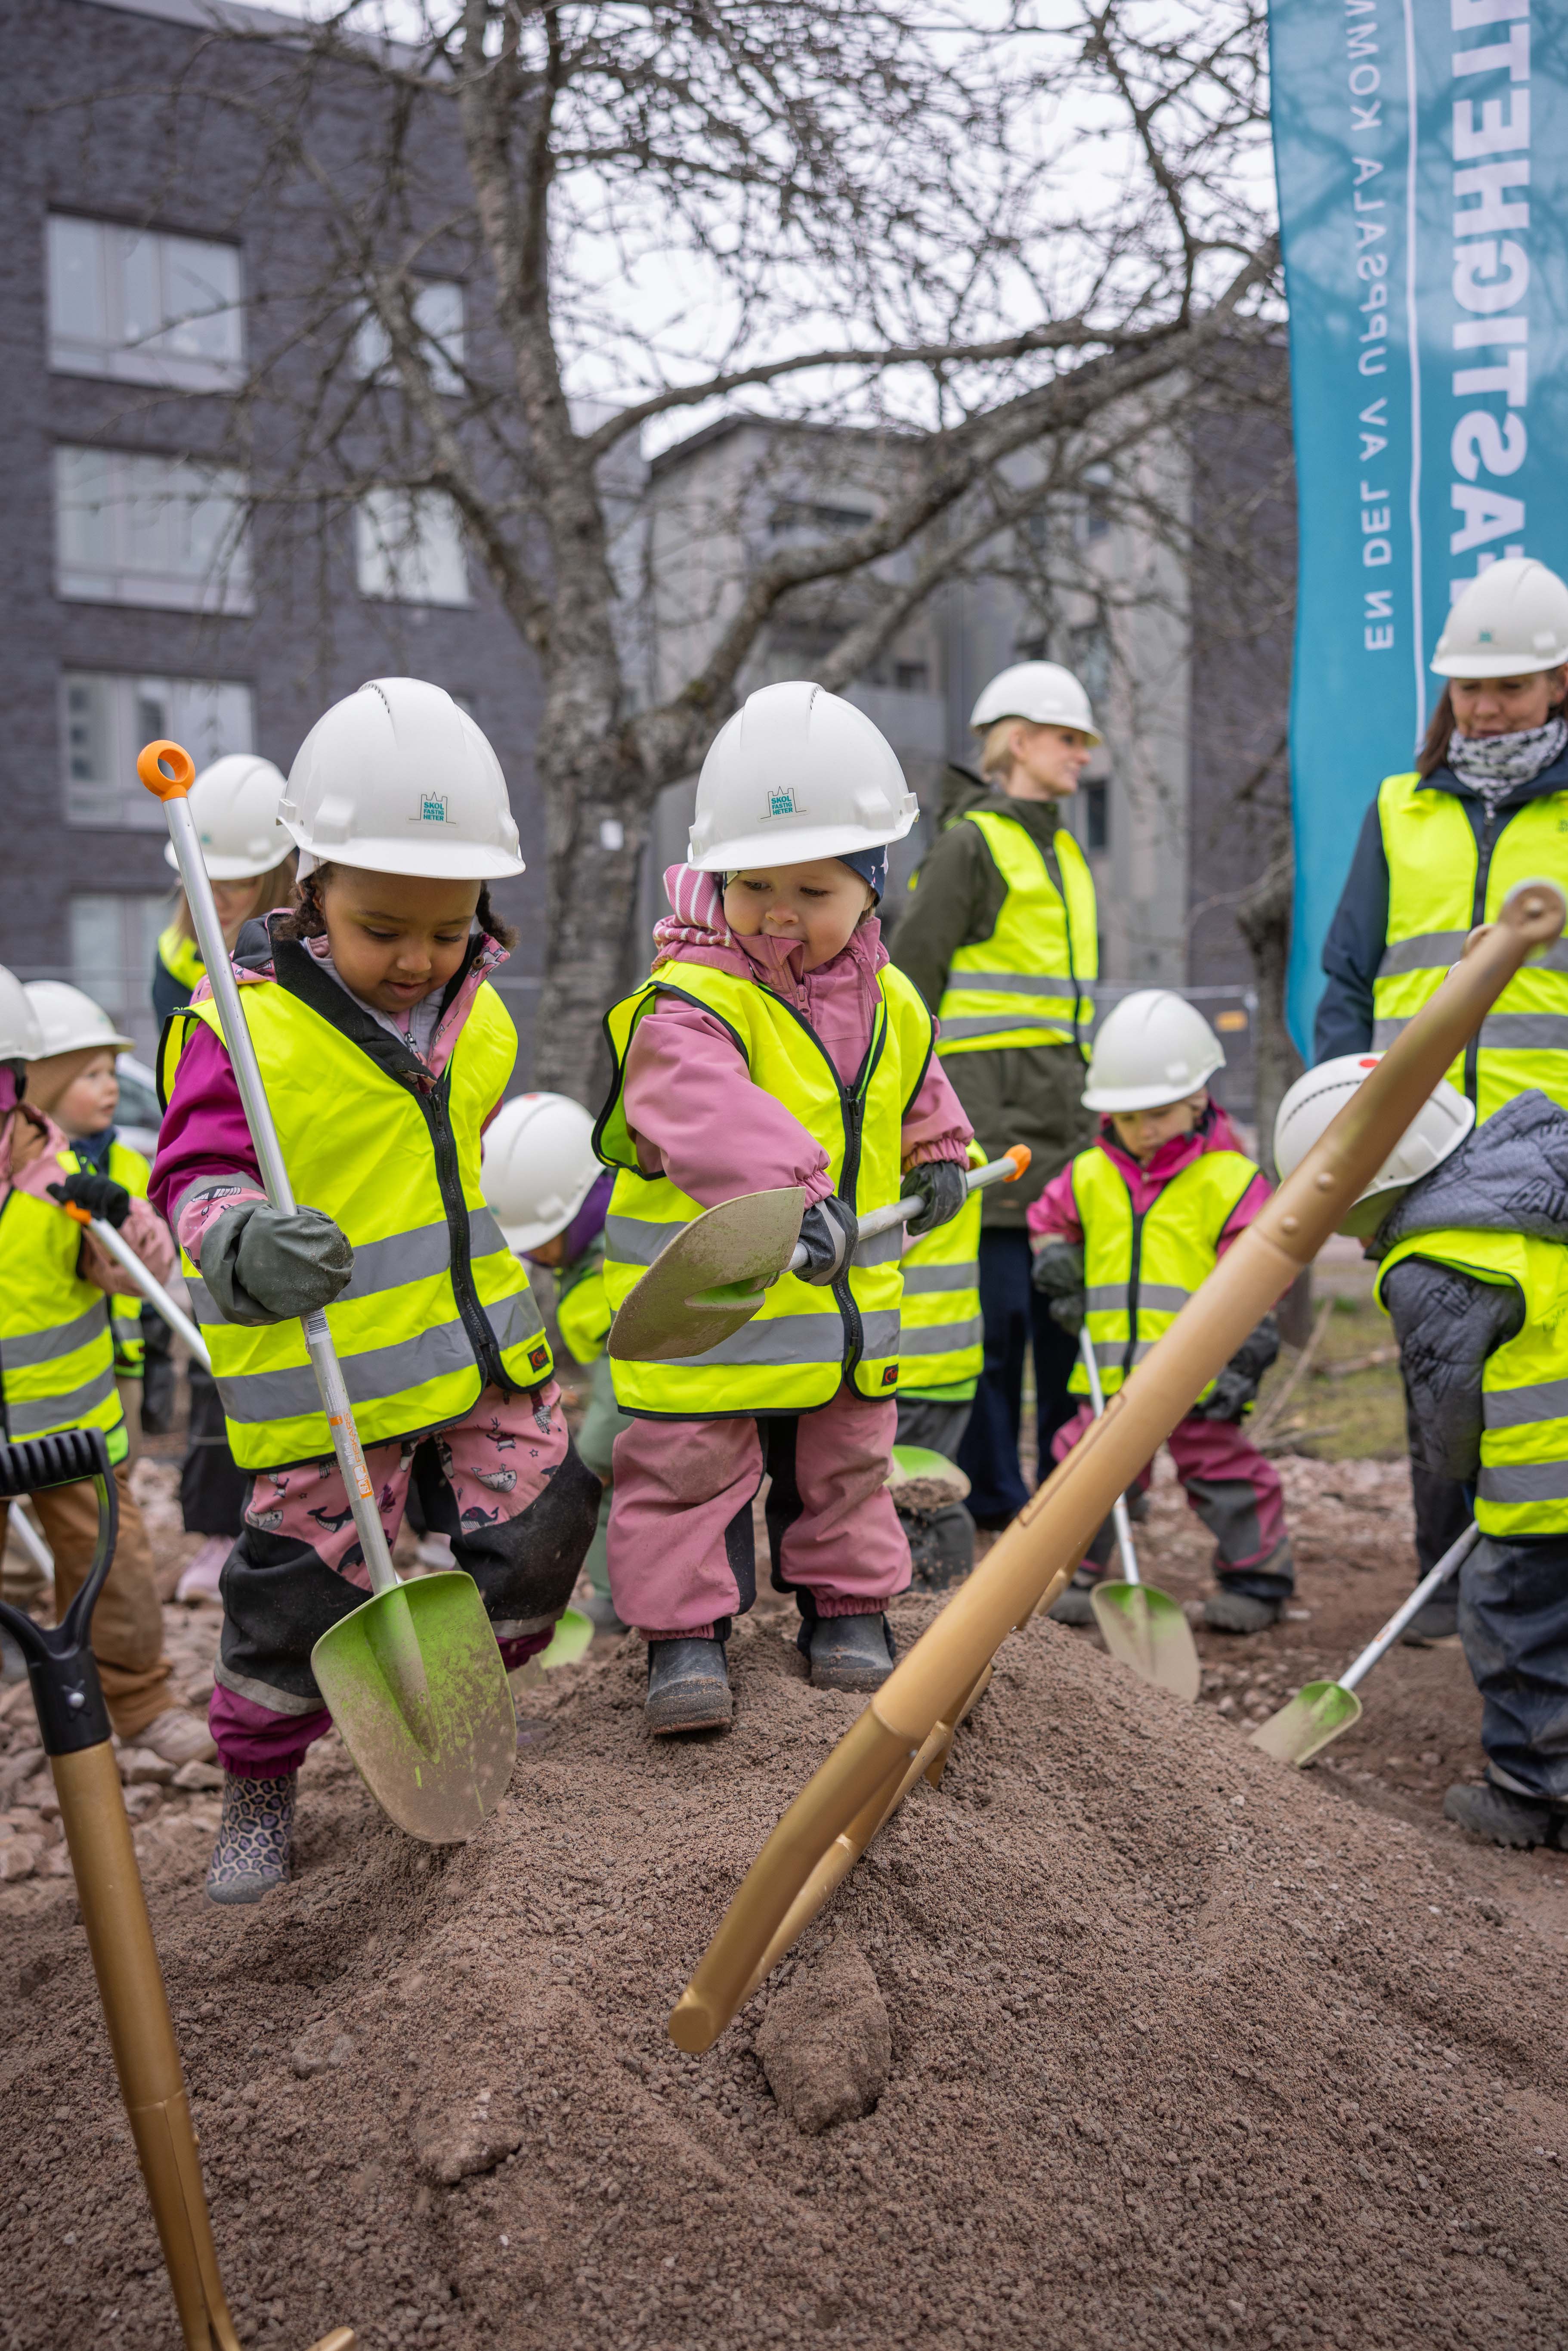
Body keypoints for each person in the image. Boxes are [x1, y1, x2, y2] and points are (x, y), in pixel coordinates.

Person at [151, 678, 599, 1902]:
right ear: (312, 886)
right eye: (382, 927)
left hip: (476, 1353)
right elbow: (192, 1169)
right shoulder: (241, 1030)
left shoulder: (483, 1021)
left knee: (543, 1523)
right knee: (295, 1595)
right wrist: (236, 1234)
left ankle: (453, 1710)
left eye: (447, 931)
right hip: (324, 1371)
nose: (417, 959)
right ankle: (258, 1786)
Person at [595, 681, 974, 1734]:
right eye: (752, 883)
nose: (777, 912)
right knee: (685, 1474)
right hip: (711, 1309)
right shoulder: (690, 998)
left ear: (872, 887)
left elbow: (911, 1079)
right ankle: (683, 1641)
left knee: (846, 1467)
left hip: (839, 1307)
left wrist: (939, 1147)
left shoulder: (894, 996)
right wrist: (788, 1192)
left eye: (812, 889)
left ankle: (847, 1613)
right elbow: (698, 1107)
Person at [1314, 556, 1568, 1634]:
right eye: (1470, 687)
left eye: (1508, 685)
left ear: (1557, 681)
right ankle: (1443, 1577)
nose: (1486, 705)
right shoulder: (1397, 810)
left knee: (1531, 1383)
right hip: (1420, 1149)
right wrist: (1342, 1117)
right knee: (1432, 1362)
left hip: (1545, 1145)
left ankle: (1520, 1585)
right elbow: (1346, 977)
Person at [1274, 1055, 1568, 1849]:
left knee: (1512, 1625)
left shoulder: (1436, 1262)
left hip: (1545, 1482)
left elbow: (1445, 1413)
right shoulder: (1531, 1192)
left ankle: (1532, 1790)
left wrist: (1463, 1477)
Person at [891, 661, 1098, 1526]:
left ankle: (1059, 1497)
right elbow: (907, 985)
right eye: (1067, 739)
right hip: (988, 1133)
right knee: (995, 1329)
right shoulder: (970, 845)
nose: (1083, 756)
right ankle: (988, 1500)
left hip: (1062, 1130)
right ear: (1017, 741)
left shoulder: (1065, 851)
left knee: (1056, 1328)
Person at [0, 966, 214, 1765]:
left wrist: (118, 1220)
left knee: (112, 1573)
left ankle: (142, 1701)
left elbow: (130, 1272)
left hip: (70, 1428)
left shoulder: (58, 1181)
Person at [1028, 991, 1291, 1631]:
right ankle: (1073, 1568)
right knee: (1082, 1468)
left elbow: (1259, 1275)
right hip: (1112, 1376)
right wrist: (1055, 1256)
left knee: (1222, 1469)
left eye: (1158, 1113)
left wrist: (1240, 1359)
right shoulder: (1089, 1174)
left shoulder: (1229, 1180)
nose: (1143, 1129)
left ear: (1199, 1098)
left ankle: (1257, 1578)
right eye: (1127, 1117)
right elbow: (1047, 1220)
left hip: (1196, 1373)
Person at [152, 755, 298, 1603]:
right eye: (213, 877)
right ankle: (216, 1531)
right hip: (208, 1163)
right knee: (222, 1354)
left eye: (243, 877)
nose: (225, 892)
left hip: (290, 1149)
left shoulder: (293, 947)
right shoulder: (176, 954)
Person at [482, 1090, 628, 1634]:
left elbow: (625, 1366)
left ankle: (617, 1604)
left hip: (647, 1409)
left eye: (541, 1241)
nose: (534, 1256)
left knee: (610, 1499)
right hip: (630, 1406)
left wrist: (596, 1449)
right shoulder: (585, 1257)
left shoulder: (613, 1264)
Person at [22, 982, 154, 1457]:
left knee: (125, 1457)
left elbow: (152, 1248)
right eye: (91, 1075)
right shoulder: (26, 1173)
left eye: (112, 1072)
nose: (112, 1086)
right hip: (46, 1371)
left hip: (122, 1352)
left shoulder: (129, 1164)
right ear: (45, 1084)